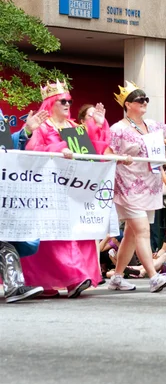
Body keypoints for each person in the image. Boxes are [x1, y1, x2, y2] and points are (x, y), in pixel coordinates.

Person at [22, 79, 110, 298]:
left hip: (75, 188)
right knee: (54, 238)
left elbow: (94, 152)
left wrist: (97, 126)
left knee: (77, 232)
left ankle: (76, 279)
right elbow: (32, 153)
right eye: (62, 101)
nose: (67, 105)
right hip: (50, 190)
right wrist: (59, 147)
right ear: (51, 103)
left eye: (68, 101)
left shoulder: (74, 127)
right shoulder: (43, 127)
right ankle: (49, 281)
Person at [105, 81, 166, 293]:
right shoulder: (118, 128)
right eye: (139, 99)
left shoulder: (152, 125)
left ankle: (117, 277)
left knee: (132, 235)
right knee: (142, 230)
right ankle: (153, 277)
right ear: (127, 104)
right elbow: (106, 153)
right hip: (128, 187)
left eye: (145, 99)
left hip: (150, 187)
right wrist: (119, 158)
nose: (144, 102)